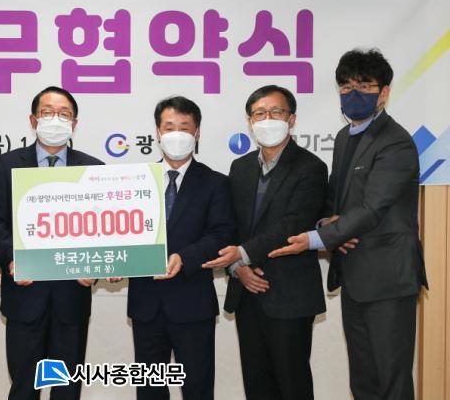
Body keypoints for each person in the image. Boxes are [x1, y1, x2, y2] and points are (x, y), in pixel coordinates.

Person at [270, 49, 428, 400]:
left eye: (364, 86)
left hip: (388, 278)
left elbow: (372, 208)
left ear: (384, 93)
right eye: (346, 87)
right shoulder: (344, 137)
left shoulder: (396, 142)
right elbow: (335, 199)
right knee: (363, 380)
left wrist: (318, 238)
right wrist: (328, 225)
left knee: (391, 380)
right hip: (355, 275)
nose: (353, 94)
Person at [202, 85, 327, 399]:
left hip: (290, 295)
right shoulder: (240, 167)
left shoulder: (311, 167)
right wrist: (237, 268)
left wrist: (242, 254)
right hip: (247, 293)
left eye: (276, 112)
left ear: (291, 119)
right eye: (259, 113)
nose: (267, 119)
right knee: (256, 386)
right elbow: (231, 225)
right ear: (250, 121)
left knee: (293, 385)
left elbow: (293, 224)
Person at [0, 86, 103, 400]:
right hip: (25, 296)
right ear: (33, 119)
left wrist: (96, 267)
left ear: (74, 123)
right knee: (24, 386)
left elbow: (102, 232)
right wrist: (12, 259)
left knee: (67, 389)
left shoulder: (94, 169)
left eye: (64, 114)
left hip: (72, 297)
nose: (55, 119)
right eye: (47, 112)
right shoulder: (7, 164)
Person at [127, 96, 236, 400]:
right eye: (169, 127)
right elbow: (120, 233)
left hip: (192, 304)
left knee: (197, 389)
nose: (176, 134)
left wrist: (184, 258)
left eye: (184, 127)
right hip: (146, 305)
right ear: (158, 133)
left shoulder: (215, 183)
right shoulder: (135, 181)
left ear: (197, 133)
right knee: (149, 391)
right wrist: (115, 264)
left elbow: (222, 234)